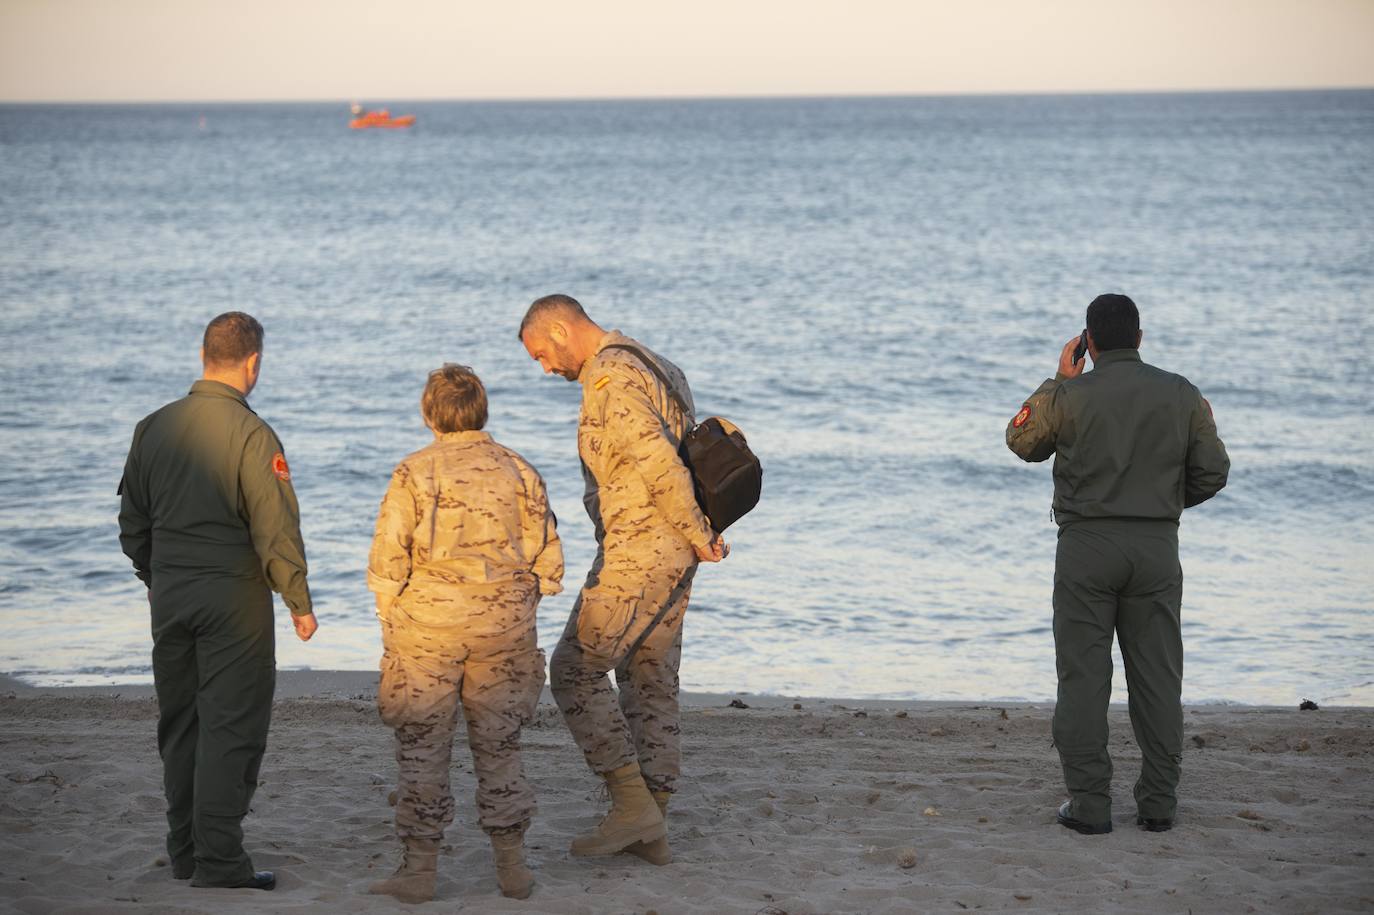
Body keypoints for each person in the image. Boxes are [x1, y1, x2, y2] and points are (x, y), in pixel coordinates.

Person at [1006, 293, 1229, 836]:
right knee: (1157, 677)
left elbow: (1021, 440)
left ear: (1089, 342)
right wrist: (1162, 505)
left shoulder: (1071, 395)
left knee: (1084, 678)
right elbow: (1214, 471)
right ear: (1140, 338)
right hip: (1156, 548)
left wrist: (1058, 378)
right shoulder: (1181, 393)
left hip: (1086, 547)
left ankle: (1089, 806)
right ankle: (1158, 805)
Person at [517, 294, 727, 866]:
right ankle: (652, 826)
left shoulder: (609, 375)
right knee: (649, 674)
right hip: (674, 545)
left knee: (574, 669)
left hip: (643, 545)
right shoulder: (656, 363)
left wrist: (694, 531)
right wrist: (697, 534)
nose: (546, 369)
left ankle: (632, 804)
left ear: (561, 329)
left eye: (541, 354)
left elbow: (657, 459)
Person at [118, 311, 317, 890]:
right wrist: (297, 600)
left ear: (204, 355)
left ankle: (184, 853)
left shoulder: (151, 427)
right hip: (233, 600)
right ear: (252, 363)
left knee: (181, 724)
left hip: (172, 595)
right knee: (232, 726)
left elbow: (132, 522)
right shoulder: (253, 434)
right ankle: (221, 862)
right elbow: (274, 528)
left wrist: (155, 574)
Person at [366, 364, 562, 902]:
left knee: (422, 746)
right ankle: (513, 870)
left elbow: (388, 562)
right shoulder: (520, 470)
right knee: (501, 744)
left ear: (429, 414)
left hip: (428, 630)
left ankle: (419, 871)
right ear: (483, 411)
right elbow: (551, 565)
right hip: (503, 629)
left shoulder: (413, 472)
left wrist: (392, 621)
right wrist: (514, 606)